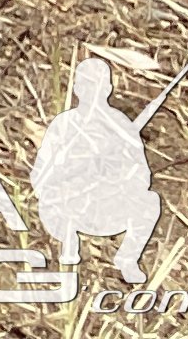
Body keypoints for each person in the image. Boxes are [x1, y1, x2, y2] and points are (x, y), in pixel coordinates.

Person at [31, 58, 162, 284]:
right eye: (87, 85)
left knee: (150, 201)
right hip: (70, 206)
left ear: (108, 88)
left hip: (107, 207)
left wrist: (116, 176)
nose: (92, 92)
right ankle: (68, 247)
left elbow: (142, 175)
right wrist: (69, 175)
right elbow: (39, 175)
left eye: (98, 86)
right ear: (77, 88)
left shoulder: (121, 125)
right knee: (51, 202)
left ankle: (127, 259)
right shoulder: (63, 124)